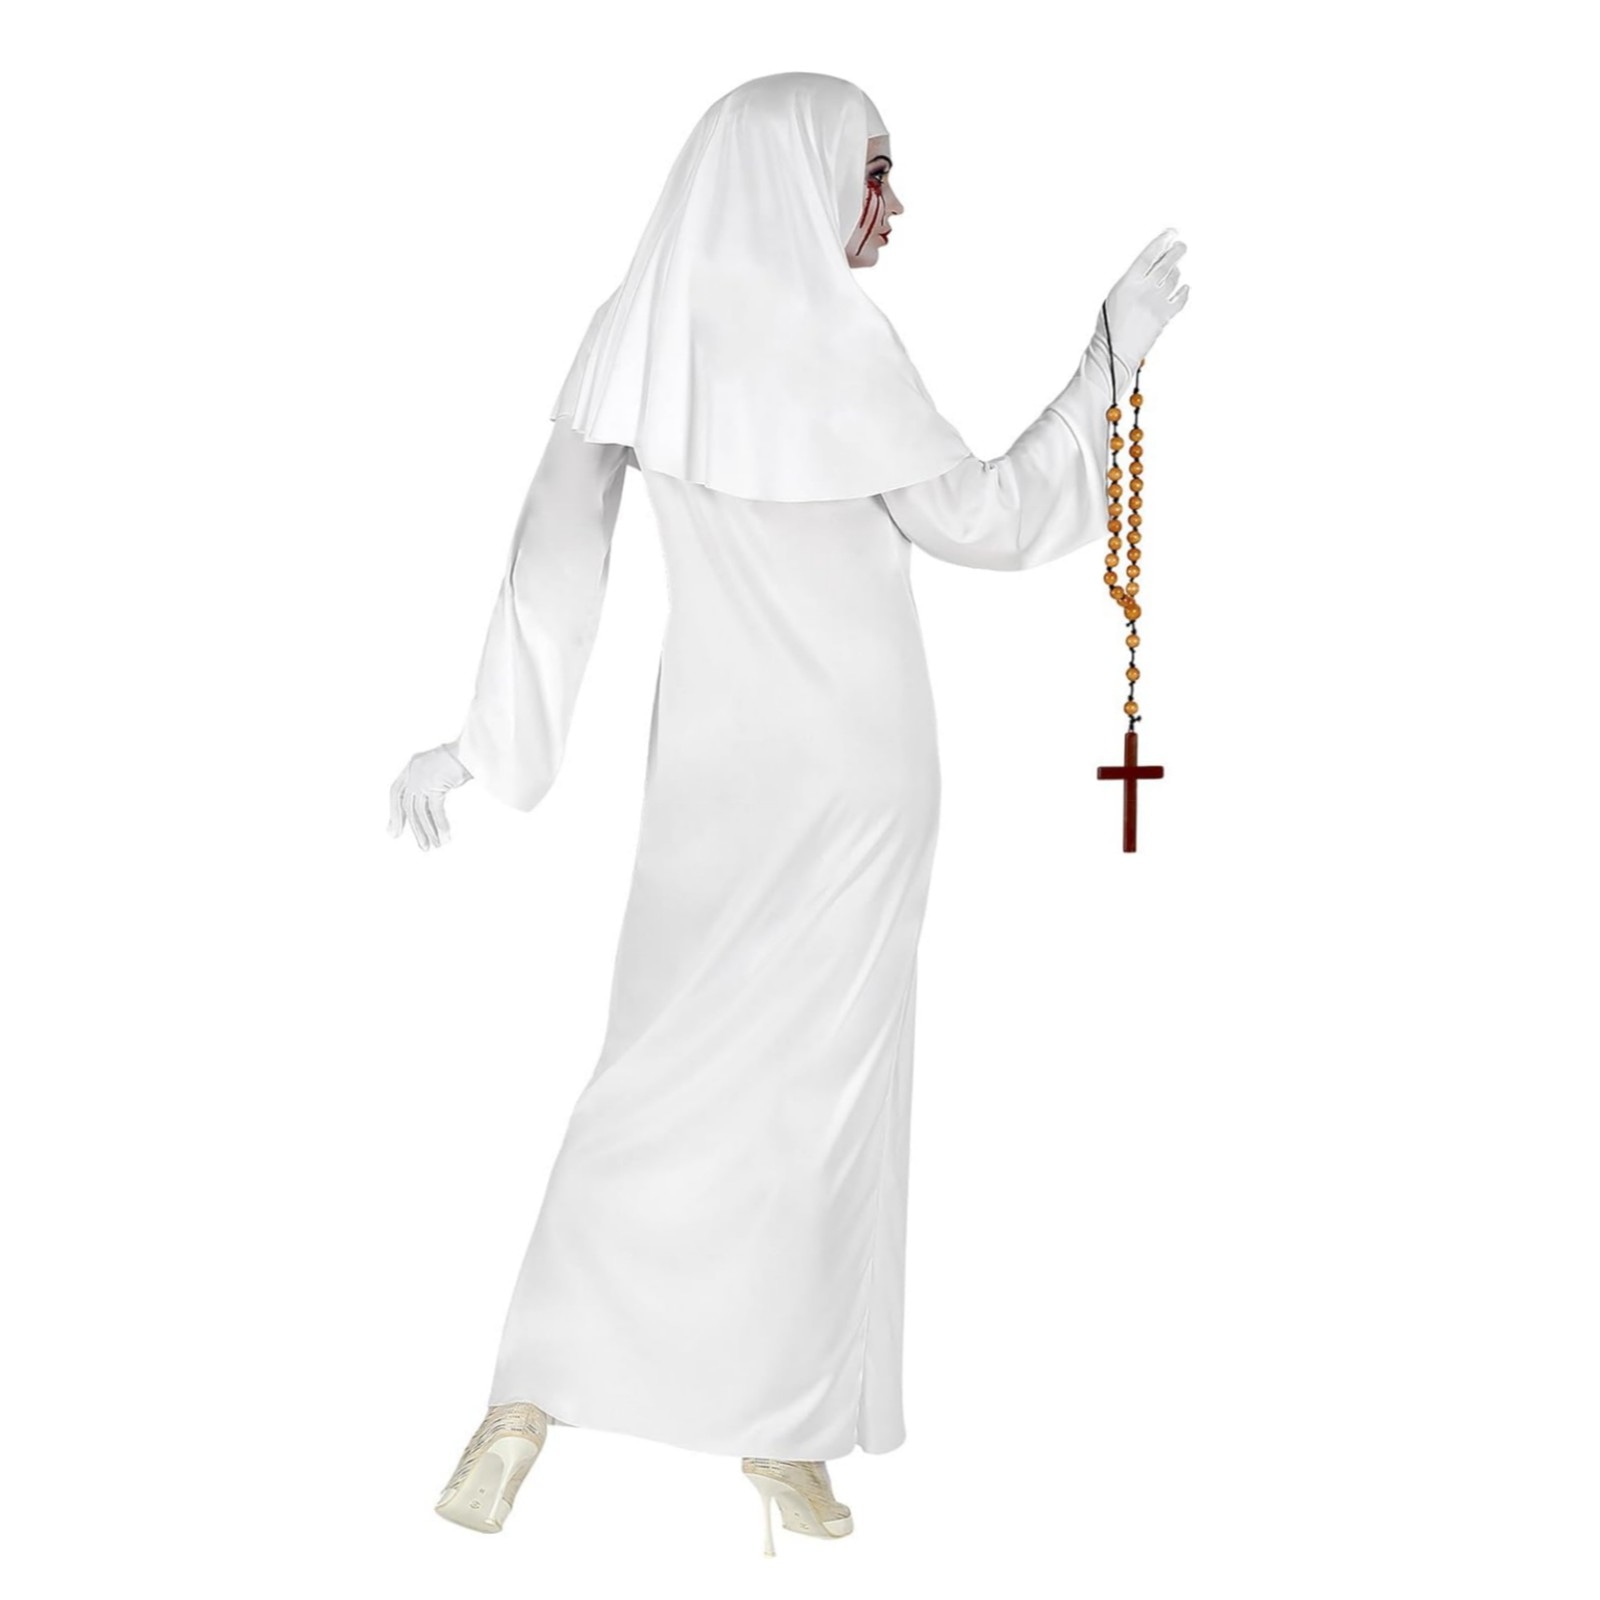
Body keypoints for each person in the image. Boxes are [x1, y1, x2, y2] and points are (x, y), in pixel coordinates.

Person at [390, 70, 1188, 1556]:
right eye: (874, 171)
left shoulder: (638, 329)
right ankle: (768, 1435)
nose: (893, 205)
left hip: (720, 764)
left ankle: (545, 1411)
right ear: (797, 173)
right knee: (811, 1101)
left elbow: (553, 553)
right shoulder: (838, 343)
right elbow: (989, 520)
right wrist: (1107, 363)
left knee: (661, 1078)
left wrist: (488, 747)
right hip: (858, 771)